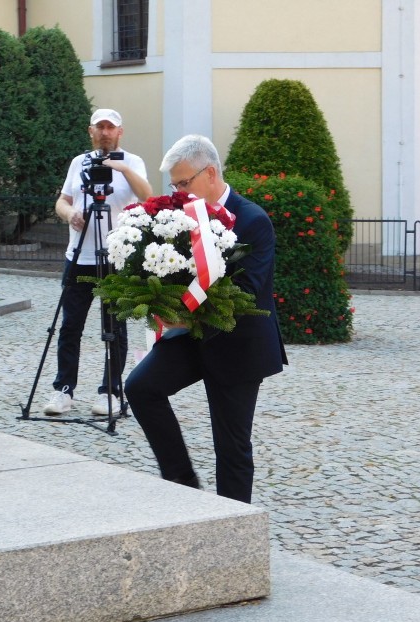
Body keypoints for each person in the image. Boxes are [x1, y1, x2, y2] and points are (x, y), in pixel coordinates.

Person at [124, 134, 287, 504]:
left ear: (210, 173)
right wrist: (156, 297)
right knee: (140, 388)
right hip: (190, 336)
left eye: (185, 183)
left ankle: (234, 527)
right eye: (175, 185)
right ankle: (183, 484)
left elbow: (247, 292)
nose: (179, 192)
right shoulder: (180, 217)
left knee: (231, 445)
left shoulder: (252, 221)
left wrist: (187, 313)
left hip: (238, 343)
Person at [44, 108, 152, 416]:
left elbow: (146, 195)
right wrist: (69, 214)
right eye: (100, 127)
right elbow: (62, 201)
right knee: (70, 327)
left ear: (120, 132)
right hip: (79, 255)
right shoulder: (79, 162)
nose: (105, 132)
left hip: (115, 257)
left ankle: (110, 392)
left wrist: (118, 168)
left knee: (114, 328)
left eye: (110, 127)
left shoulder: (132, 162)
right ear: (91, 130)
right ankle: (63, 390)